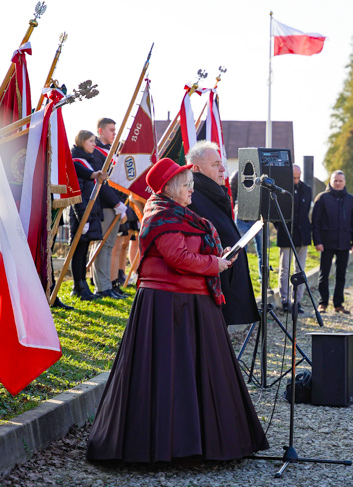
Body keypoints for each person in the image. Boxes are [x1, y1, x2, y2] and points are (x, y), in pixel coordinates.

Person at [87, 158, 269, 463]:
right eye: (187, 186)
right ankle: (168, 447)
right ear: (171, 188)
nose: (192, 191)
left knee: (193, 375)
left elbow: (191, 250)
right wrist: (215, 264)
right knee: (170, 376)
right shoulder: (162, 214)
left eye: (191, 185)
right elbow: (178, 257)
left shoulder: (178, 213)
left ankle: (199, 443)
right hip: (168, 305)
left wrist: (219, 255)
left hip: (191, 302)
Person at [187, 141, 259, 325]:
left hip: (225, 273)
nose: (222, 170)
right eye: (215, 164)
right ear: (196, 168)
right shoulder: (191, 196)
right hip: (211, 279)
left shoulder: (215, 192)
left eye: (221, 164)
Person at [312, 170, 353, 313]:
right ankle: (323, 303)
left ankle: (338, 304)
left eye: (340, 181)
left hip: (344, 243)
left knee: (341, 275)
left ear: (344, 182)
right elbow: (316, 222)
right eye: (335, 181)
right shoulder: (322, 198)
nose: (338, 183)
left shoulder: (350, 200)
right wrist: (317, 241)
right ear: (330, 181)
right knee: (324, 275)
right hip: (326, 243)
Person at [91, 117, 128, 299]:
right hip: (105, 205)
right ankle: (102, 286)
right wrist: (116, 203)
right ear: (100, 131)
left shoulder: (111, 151)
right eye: (111, 130)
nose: (115, 133)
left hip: (115, 204)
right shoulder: (96, 152)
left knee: (110, 246)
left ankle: (107, 285)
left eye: (115, 129)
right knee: (103, 246)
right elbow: (103, 183)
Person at [69, 130, 105, 301]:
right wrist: (83, 218)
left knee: (83, 250)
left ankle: (83, 284)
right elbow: (79, 193)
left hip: (88, 214)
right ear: (82, 141)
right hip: (80, 214)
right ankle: (78, 286)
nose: (94, 144)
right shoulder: (76, 161)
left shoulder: (86, 161)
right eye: (91, 141)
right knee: (77, 250)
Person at [274, 164, 313, 313]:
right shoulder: (281, 189)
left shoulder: (306, 189)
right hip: (286, 233)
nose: (296, 180)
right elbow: (276, 214)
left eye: (298, 177)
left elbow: (306, 212)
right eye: (293, 177)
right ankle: (284, 300)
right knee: (285, 268)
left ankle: (297, 301)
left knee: (300, 269)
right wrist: (281, 228)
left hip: (302, 235)